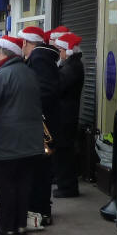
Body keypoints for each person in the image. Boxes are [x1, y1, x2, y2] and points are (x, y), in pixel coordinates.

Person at [0, 35, 44, 235]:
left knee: (5, 186)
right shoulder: (29, 72)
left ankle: (5, 227)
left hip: (9, 141)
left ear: (4, 53)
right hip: (31, 142)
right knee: (22, 185)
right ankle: (19, 224)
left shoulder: (1, 75)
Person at [19, 26, 60, 225]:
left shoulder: (39, 59)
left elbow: (45, 91)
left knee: (40, 171)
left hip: (41, 123)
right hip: (42, 121)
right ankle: (40, 208)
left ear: (26, 43)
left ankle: (41, 210)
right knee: (40, 170)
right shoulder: (40, 58)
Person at [53, 33, 85, 198]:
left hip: (66, 115)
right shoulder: (70, 65)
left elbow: (59, 87)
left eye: (60, 50)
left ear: (68, 51)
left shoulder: (72, 67)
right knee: (63, 151)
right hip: (66, 113)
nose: (59, 53)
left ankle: (67, 186)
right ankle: (64, 184)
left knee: (65, 151)